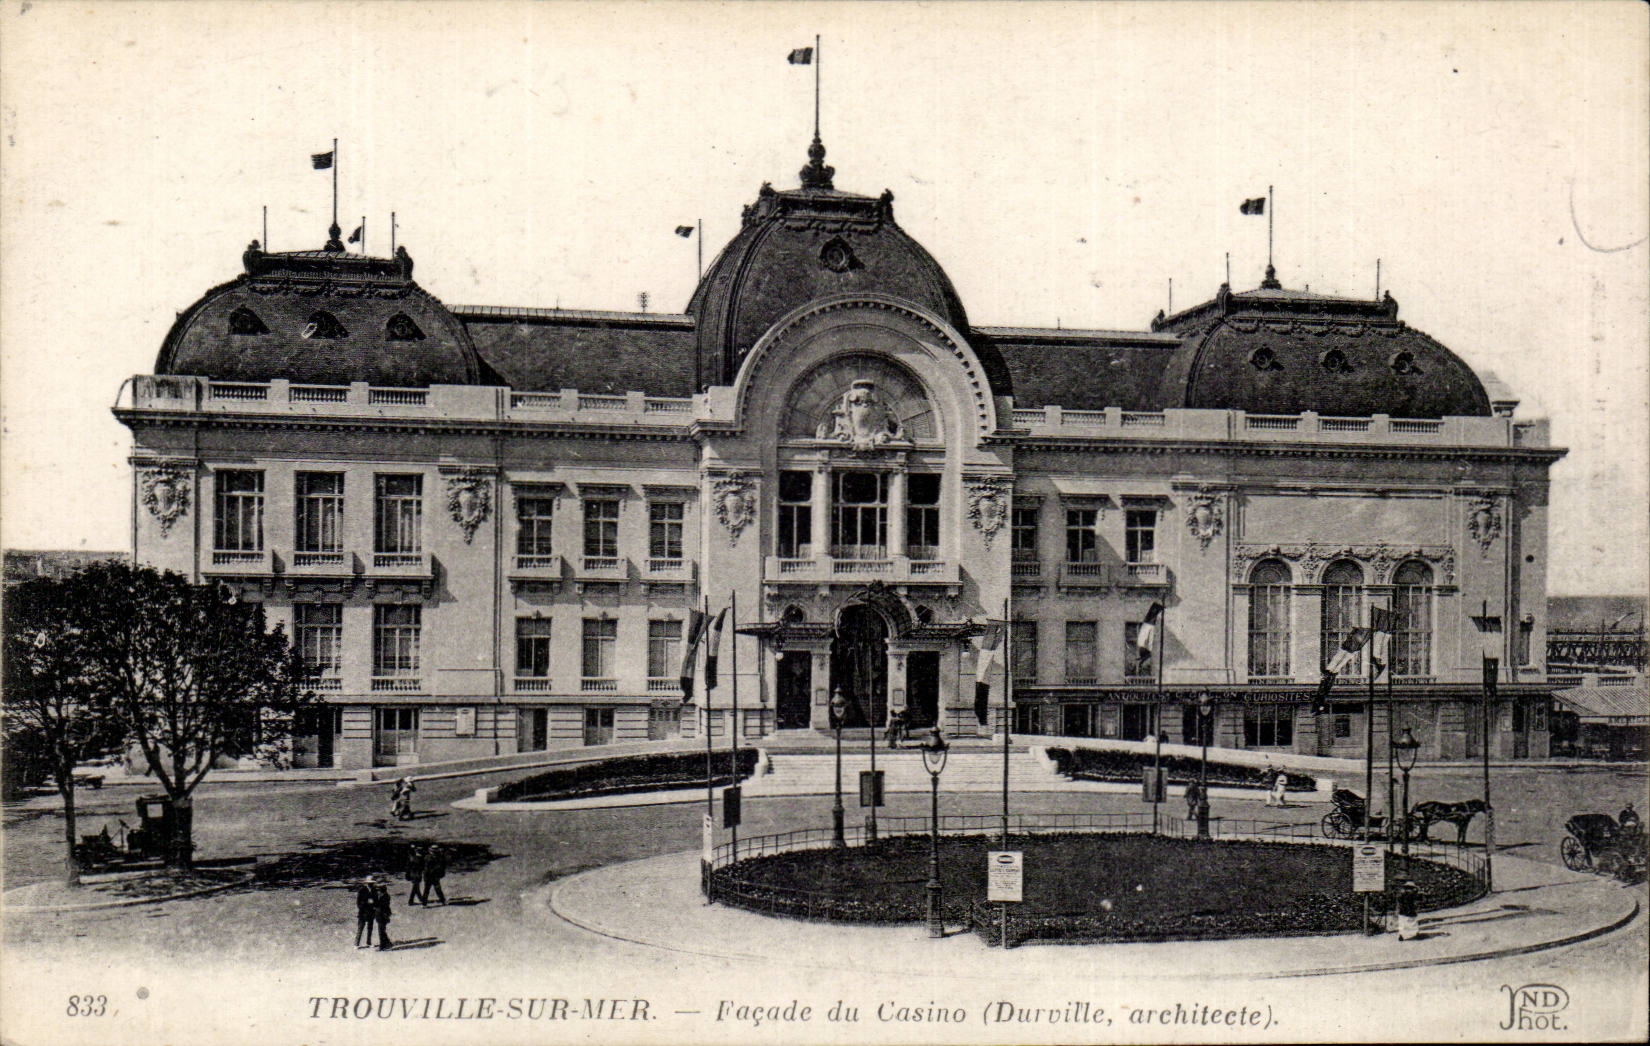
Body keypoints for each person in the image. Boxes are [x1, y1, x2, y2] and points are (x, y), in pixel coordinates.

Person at [372, 880, 394, 951]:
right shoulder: (383, 895)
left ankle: (382, 946)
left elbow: (382, 907)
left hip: (382, 916)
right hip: (381, 915)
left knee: (381, 931)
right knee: (382, 931)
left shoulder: (385, 896)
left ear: (381, 890)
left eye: (379, 890)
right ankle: (388, 943)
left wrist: (376, 906)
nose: (378, 891)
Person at [354, 880, 376, 948]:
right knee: (360, 928)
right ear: (367, 883)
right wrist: (366, 903)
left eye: (372, 883)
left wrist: (374, 904)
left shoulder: (374, 890)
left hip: (371, 912)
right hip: (363, 912)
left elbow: (376, 900)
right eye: (369, 883)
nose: (371, 884)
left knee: (370, 928)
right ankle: (356, 944)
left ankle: (368, 943)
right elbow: (358, 902)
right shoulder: (362, 890)